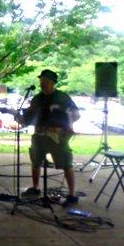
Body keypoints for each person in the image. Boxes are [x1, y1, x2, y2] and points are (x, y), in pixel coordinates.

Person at [17, 69, 80, 206]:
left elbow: (76, 114)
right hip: (39, 135)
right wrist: (18, 118)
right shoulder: (37, 99)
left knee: (66, 164)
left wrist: (66, 126)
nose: (42, 83)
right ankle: (36, 188)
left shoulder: (62, 97)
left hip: (58, 136)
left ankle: (72, 194)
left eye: (46, 80)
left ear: (53, 82)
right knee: (35, 162)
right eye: (41, 80)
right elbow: (28, 119)